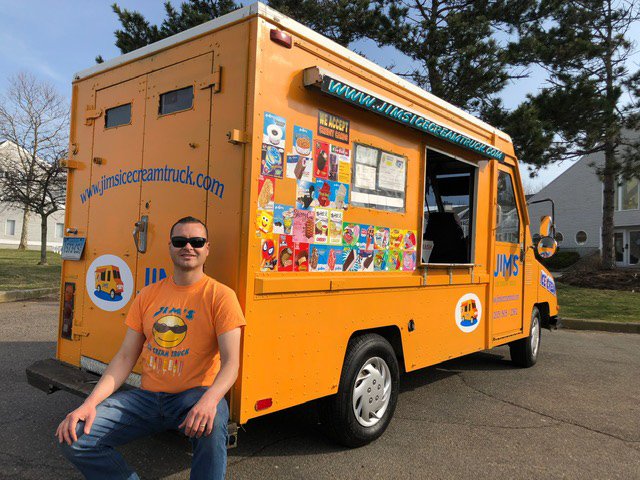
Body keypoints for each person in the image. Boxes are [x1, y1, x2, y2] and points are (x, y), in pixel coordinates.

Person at [56, 216, 246, 480]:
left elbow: (231, 364)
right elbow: (124, 358)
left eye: (196, 241)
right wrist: (89, 404)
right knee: (74, 437)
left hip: (194, 396)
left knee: (212, 422)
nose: (188, 247)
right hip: (147, 399)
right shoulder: (148, 295)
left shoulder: (221, 296)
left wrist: (209, 401)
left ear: (207, 248)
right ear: (170, 246)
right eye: (180, 241)